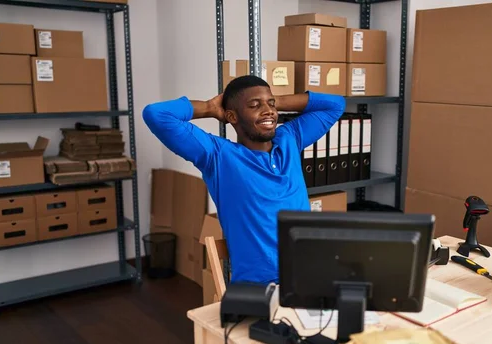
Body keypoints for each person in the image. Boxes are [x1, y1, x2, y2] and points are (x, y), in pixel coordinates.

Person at [142, 75, 345, 284]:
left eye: (270, 104)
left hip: (309, 273)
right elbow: (156, 114)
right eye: (254, 105)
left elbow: (336, 105)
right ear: (232, 116)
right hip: (261, 286)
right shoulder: (218, 156)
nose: (268, 111)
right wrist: (209, 108)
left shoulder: (289, 139)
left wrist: (275, 102)